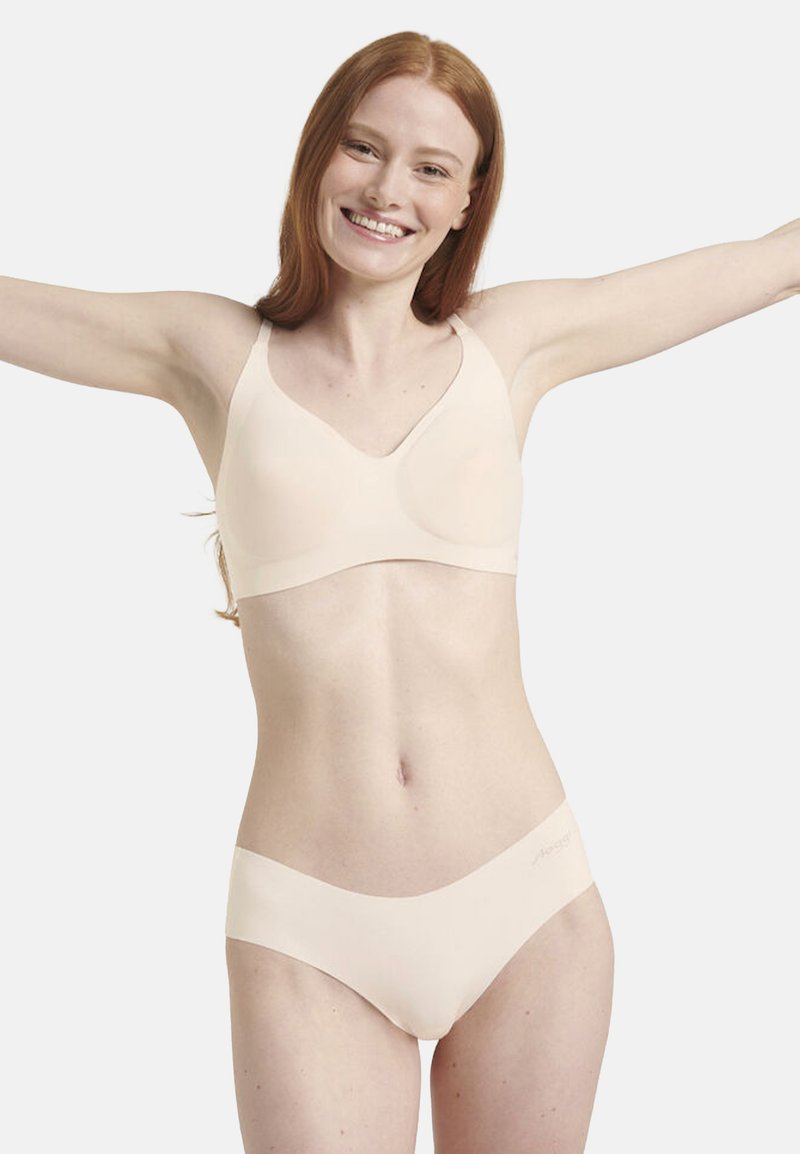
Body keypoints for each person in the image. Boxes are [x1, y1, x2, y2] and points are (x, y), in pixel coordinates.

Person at [1, 27, 797, 1154]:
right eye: (364, 148)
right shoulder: (211, 351)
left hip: (526, 900)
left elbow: (774, 260)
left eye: (431, 167)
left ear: (469, 200)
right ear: (317, 154)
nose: (387, 190)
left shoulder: (511, 342)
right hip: (307, 924)